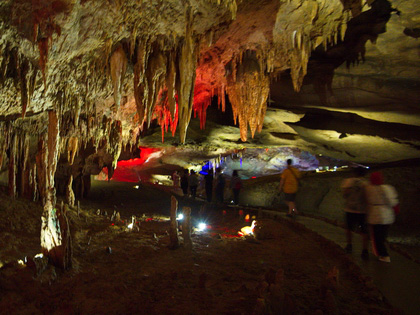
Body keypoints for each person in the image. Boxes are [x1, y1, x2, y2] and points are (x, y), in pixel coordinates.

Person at [365, 171, 398, 263]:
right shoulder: (388, 188)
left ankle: (383, 255)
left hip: (375, 215)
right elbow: (393, 202)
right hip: (387, 215)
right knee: (382, 235)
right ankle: (383, 253)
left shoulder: (368, 189)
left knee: (376, 237)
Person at [341, 167, 369, 259]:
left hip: (350, 209)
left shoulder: (348, 182)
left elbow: (345, 195)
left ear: (354, 173)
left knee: (349, 229)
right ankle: (365, 251)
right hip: (362, 210)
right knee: (364, 231)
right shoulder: (366, 184)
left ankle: (349, 246)